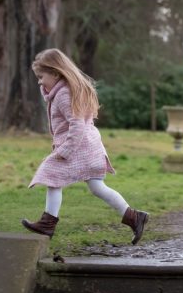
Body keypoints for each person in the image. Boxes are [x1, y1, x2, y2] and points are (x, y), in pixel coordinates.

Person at [21, 48, 149, 244]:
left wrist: (65, 150)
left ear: (55, 73)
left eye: (41, 76)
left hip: (80, 146)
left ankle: (47, 224)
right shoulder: (62, 90)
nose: (39, 81)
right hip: (89, 145)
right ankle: (134, 217)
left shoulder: (63, 94)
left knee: (52, 175)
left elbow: (77, 124)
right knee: (97, 187)